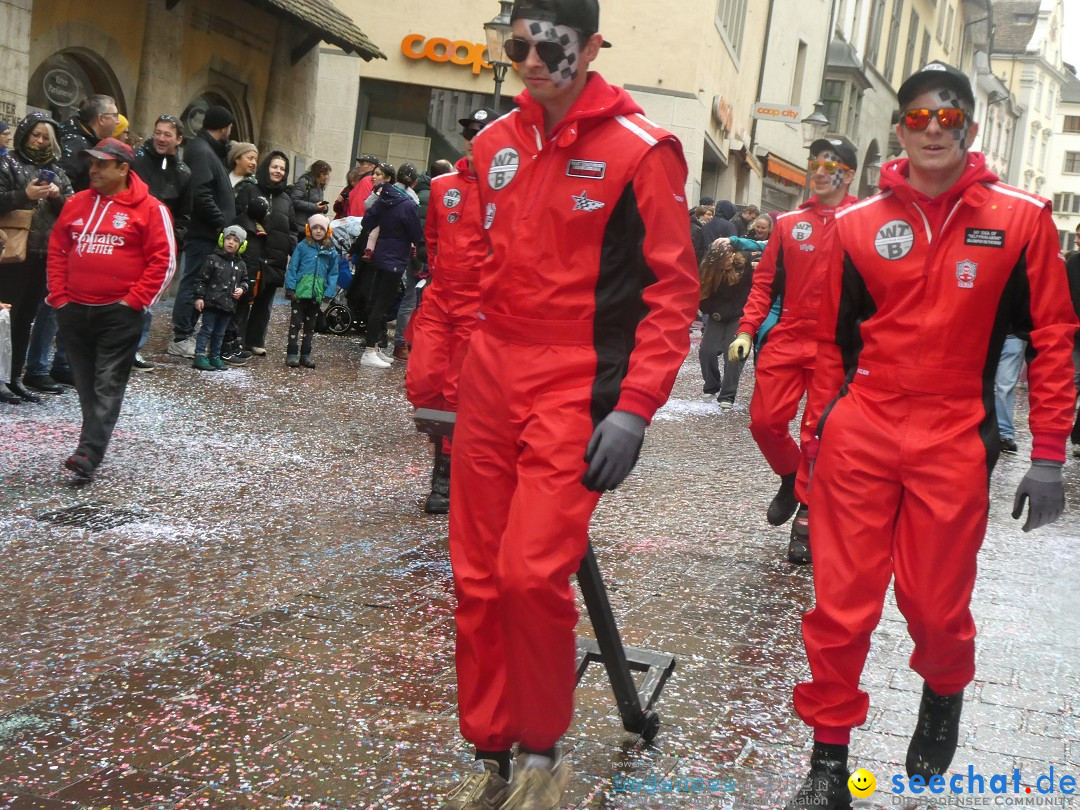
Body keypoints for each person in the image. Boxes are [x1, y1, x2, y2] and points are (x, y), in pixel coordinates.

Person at [784, 62, 1078, 809]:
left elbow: (1054, 337)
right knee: (841, 602)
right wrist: (813, 442)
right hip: (864, 430)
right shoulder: (856, 225)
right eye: (919, 118)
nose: (934, 130)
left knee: (933, 605)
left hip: (954, 435)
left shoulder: (1022, 220)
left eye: (949, 118)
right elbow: (829, 344)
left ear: (971, 129)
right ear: (900, 128)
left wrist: (1048, 458)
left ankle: (943, 690)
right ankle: (828, 762)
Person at [442, 1, 699, 806]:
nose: (533, 60)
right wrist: (453, 374)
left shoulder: (641, 151)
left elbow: (675, 292)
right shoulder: (491, 144)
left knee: (528, 574)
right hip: (492, 376)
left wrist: (635, 407)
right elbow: (477, 269)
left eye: (551, 46)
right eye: (519, 44)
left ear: (590, 47)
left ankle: (543, 756)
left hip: (577, 381)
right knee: (477, 576)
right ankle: (490, 755)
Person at [726, 136, 858, 564]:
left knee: (819, 433)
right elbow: (764, 282)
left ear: (848, 174)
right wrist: (747, 329)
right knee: (764, 422)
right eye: (814, 162)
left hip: (834, 345)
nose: (819, 170)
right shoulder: (787, 223)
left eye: (830, 164)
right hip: (788, 335)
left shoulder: (863, 223)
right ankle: (790, 477)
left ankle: (807, 515)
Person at [47, 138, 176, 478]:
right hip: (74, 309)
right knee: (86, 383)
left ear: (123, 169)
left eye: (101, 164)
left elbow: (163, 261)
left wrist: (133, 302)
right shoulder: (75, 203)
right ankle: (90, 443)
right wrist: (59, 296)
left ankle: (88, 453)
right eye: (91, 163)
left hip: (118, 314)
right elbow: (58, 249)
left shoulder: (151, 209)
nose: (93, 170)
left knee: (107, 382)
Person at [405, 106, 495, 514]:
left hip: (479, 304)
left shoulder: (510, 190)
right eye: (471, 133)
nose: (476, 139)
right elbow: (433, 238)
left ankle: (447, 470)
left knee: (458, 392)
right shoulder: (443, 186)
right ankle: (445, 451)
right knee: (423, 384)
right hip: (442, 298)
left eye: (484, 132)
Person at [0, 112, 74, 403]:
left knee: (25, 319)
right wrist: (24, 195)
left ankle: (14, 377)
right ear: (25, 134)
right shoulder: (7, 162)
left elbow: (72, 212)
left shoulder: (57, 170)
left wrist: (57, 196)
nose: (41, 141)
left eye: (46, 137)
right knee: (6, 316)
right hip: (11, 252)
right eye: (36, 135)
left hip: (45, 253)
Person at [168, 105, 235, 358]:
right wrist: (220, 223)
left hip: (210, 231)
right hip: (203, 232)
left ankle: (185, 333)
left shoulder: (208, 150)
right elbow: (202, 194)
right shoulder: (202, 151)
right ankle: (181, 336)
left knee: (199, 282)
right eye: (229, 127)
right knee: (194, 282)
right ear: (224, 127)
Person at [131, 113, 192, 372]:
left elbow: (184, 213)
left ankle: (134, 348)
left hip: (157, 243)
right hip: (131, 236)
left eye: (167, 134)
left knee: (146, 297)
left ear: (178, 139)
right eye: (158, 132)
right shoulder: (136, 159)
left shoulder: (182, 171)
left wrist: (172, 239)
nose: (161, 138)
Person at [359, 168, 422, 369]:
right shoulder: (407, 205)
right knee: (382, 305)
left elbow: (366, 221)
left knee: (377, 302)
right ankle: (369, 350)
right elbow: (415, 233)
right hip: (395, 258)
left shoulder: (383, 199)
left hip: (380, 254)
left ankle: (374, 348)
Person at [237, 151, 297, 356]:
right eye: (274, 167)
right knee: (243, 299)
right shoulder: (249, 190)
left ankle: (254, 340)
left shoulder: (286, 199)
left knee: (264, 303)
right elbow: (238, 218)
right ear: (266, 168)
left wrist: (292, 249)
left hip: (274, 258)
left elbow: (292, 229)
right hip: (251, 255)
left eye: (282, 168)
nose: (278, 171)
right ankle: (235, 339)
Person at [698, 244, 752, 408]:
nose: (730, 260)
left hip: (737, 315)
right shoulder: (708, 274)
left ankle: (727, 395)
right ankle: (712, 385)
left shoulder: (742, 269)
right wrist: (712, 312)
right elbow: (703, 298)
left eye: (731, 257)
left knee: (734, 354)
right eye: (726, 258)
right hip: (717, 316)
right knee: (706, 351)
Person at [283, 213, 337, 368]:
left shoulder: (330, 250)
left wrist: (329, 292)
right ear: (309, 229)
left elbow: (333, 273)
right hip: (299, 293)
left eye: (321, 228)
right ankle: (292, 353)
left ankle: (305, 354)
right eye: (315, 228)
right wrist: (290, 287)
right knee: (295, 324)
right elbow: (293, 267)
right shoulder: (302, 247)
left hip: (317, 294)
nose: (318, 231)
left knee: (310, 327)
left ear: (327, 231)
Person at [192, 225, 248, 371]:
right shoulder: (212, 259)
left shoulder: (241, 265)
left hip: (228, 306)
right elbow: (201, 280)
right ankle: (199, 355)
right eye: (228, 238)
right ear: (222, 239)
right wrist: (199, 297)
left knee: (220, 333)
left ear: (241, 245)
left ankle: (214, 356)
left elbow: (245, 281)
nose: (231, 242)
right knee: (207, 330)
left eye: (236, 240)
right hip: (211, 304)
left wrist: (242, 289)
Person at [58, 94, 118, 193]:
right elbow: (60, 185)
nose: (118, 121)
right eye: (115, 116)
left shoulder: (89, 141)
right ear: (101, 119)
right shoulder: (75, 143)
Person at [994, 334, 1026, 453]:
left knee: (1005, 387)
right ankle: (1003, 432)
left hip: (1011, 335)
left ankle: (1004, 433)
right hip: (982, 332)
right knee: (1003, 387)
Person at [290, 160, 331, 234]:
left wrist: (324, 208)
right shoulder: (304, 182)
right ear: (317, 174)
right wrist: (315, 206)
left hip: (313, 225)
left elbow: (317, 202)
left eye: (327, 174)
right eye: (324, 174)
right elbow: (294, 201)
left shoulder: (319, 186)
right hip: (301, 227)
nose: (326, 177)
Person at [346, 153, 380, 219]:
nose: (359, 166)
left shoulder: (367, 180)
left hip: (357, 221)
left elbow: (361, 205)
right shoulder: (366, 180)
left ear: (372, 167)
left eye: (363, 164)